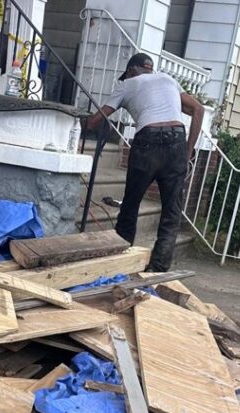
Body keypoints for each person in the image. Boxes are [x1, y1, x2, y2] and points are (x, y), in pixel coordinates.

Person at [86, 52, 204, 272]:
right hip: (176, 141)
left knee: (131, 205)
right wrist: (187, 153)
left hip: (147, 141)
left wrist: (82, 122)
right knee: (171, 211)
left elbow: (94, 121)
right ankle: (157, 270)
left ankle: (120, 263)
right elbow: (198, 109)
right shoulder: (168, 80)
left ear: (131, 70)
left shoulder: (127, 84)